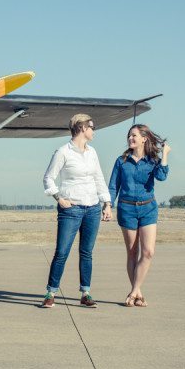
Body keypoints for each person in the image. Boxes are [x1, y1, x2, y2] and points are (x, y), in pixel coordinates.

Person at [41, 114, 113, 308]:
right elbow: (48, 178)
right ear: (82, 128)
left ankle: (86, 293)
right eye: (92, 127)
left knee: (87, 252)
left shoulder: (92, 153)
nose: (94, 130)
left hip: (92, 209)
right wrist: (58, 197)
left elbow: (99, 179)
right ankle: (51, 292)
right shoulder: (63, 152)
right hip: (71, 210)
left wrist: (107, 203)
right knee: (62, 252)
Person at [107, 124, 171, 307]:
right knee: (132, 252)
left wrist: (165, 154)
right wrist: (108, 205)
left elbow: (162, 176)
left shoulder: (152, 160)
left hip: (148, 208)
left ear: (144, 138)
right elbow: (113, 186)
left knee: (148, 252)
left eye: (134, 135)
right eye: (129, 136)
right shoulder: (121, 161)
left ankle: (134, 291)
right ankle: (138, 292)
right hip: (127, 209)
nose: (130, 139)